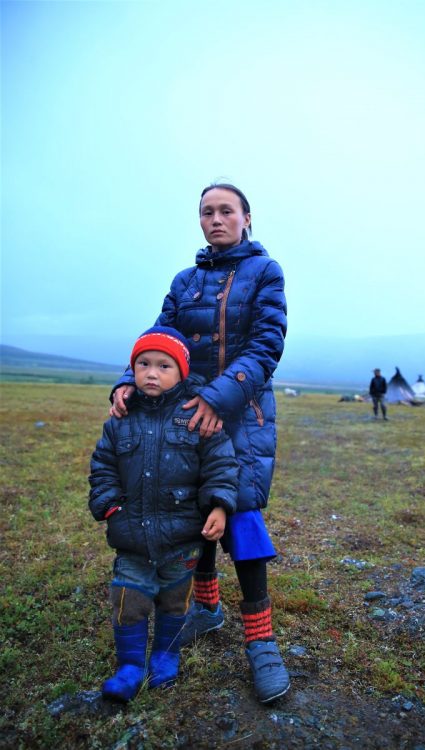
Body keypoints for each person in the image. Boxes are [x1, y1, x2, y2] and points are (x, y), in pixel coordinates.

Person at [110, 183, 291, 703]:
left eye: (225, 211)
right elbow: (158, 338)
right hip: (184, 411)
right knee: (192, 509)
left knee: (242, 513)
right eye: (207, 212)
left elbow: (266, 344)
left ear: (246, 218)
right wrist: (128, 377)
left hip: (242, 411)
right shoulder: (184, 280)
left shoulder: (266, 273)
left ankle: (261, 641)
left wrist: (218, 397)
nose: (215, 219)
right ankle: (206, 608)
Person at [89, 326, 239, 702]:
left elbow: (220, 465)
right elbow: (103, 465)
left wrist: (219, 505)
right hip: (131, 533)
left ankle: (166, 655)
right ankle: (129, 666)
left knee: (175, 601)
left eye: (163, 365)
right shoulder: (120, 418)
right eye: (143, 364)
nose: (151, 373)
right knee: (129, 600)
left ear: (181, 373)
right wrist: (109, 506)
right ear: (132, 369)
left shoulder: (198, 416)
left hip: (182, 535)